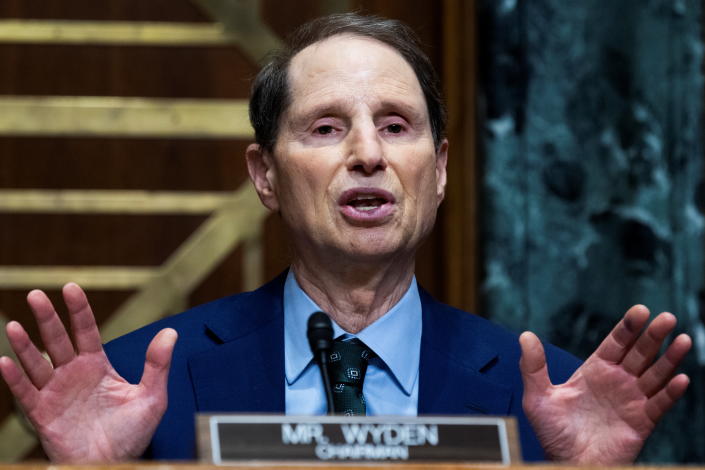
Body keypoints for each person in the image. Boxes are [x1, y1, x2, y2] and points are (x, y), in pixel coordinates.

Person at [0, 13, 692, 465]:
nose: (367, 153)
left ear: (440, 168)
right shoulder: (133, 387)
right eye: (326, 128)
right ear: (265, 174)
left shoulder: (554, 399)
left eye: (395, 126)